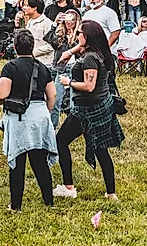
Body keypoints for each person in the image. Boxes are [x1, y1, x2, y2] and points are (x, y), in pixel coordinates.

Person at [54, 20, 124, 200]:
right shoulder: (99, 53)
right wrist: (71, 51)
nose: (77, 35)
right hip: (100, 105)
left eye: (80, 33)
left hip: (87, 109)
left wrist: (68, 83)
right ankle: (111, 193)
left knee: (60, 141)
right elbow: (82, 47)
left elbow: (88, 86)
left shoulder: (90, 58)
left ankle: (69, 188)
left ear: (88, 37)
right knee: (100, 149)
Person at [0, 30, 57, 212]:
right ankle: (49, 201)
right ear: (33, 47)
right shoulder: (42, 67)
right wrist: (47, 111)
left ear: (14, 47)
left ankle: (16, 206)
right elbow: (52, 95)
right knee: (39, 161)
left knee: (18, 161)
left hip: (19, 117)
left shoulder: (10, 67)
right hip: (40, 114)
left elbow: (3, 93)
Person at [46, 10, 81, 128]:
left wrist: (74, 38)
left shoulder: (79, 36)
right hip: (60, 69)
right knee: (56, 99)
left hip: (74, 69)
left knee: (73, 101)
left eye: (71, 20)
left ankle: (73, 127)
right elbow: (51, 41)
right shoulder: (60, 35)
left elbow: (82, 51)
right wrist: (55, 24)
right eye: (67, 20)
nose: (69, 23)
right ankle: (52, 126)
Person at [18, 0, 54, 66]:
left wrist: (33, 52)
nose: (24, 8)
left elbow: (51, 46)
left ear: (35, 8)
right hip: (31, 62)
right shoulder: (29, 22)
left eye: (27, 6)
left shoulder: (47, 23)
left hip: (45, 63)